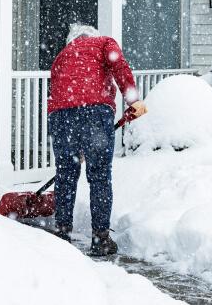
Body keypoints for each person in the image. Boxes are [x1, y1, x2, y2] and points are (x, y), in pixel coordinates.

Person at [47, 23, 147, 256]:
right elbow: (120, 66)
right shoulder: (103, 43)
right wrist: (133, 101)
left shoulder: (62, 55)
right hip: (94, 113)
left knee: (66, 175)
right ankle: (100, 238)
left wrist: (72, 139)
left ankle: (62, 232)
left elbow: (58, 90)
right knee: (99, 176)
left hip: (61, 116)